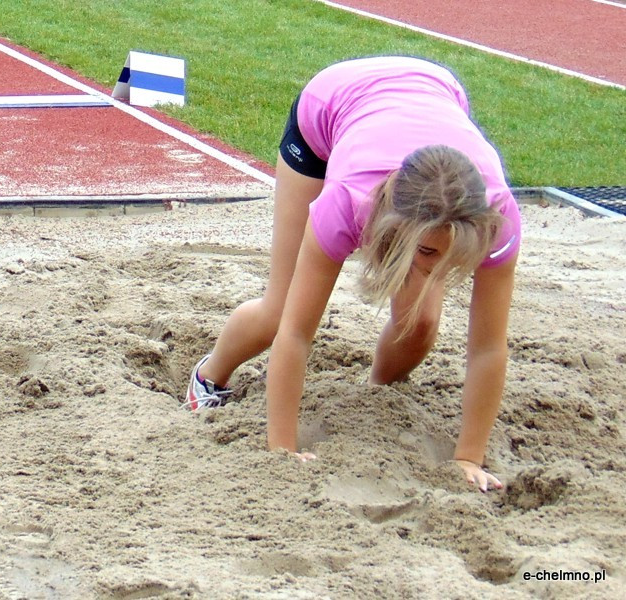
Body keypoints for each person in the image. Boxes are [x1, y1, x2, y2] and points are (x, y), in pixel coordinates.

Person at [182, 56, 521, 493]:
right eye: (429, 252)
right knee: (280, 309)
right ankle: (209, 377)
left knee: (419, 322)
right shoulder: (345, 203)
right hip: (330, 107)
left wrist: (468, 458)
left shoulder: (496, 217)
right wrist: (282, 448)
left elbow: (489, 347)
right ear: (395, 227)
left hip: (433, 94)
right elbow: (296, 333)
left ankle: (377, 393)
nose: (442, 267)